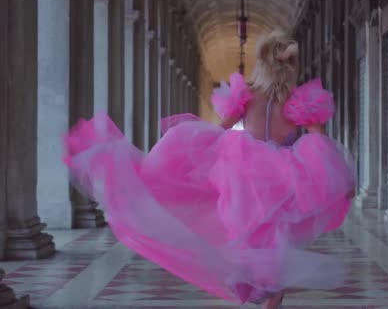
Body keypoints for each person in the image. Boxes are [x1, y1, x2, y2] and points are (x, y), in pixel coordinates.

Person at [63, 29, 356, 309]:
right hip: (283, 179)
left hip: (244, 176)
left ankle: (260, 286)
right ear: (291, 66)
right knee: (275, 235)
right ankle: (268, 289)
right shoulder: (298, 102)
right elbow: (320, 141)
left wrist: (193, 157)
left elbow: (219, 131)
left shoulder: (246, 94)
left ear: (262, 62)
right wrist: (337, 177)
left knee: (243, 234)